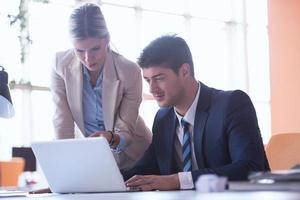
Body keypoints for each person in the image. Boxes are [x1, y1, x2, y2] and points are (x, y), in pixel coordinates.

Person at [124, 35, 270, 191]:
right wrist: (107, 178)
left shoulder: (231, 104)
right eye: (148, 80)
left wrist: (178, 180)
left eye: (159, 78)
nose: (152, 89)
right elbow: (146, 169)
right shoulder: (163, 118)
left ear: (185, 71)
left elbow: (250, 168)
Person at [51, 3, 152, 170]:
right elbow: (62, 122)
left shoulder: (129, 71)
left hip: (135, 156)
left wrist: (110, 138)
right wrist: (62, 170)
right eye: (80, 51)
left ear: (107, 39)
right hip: (95, 160)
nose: (88, 58)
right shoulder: (60, 64)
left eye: (95, 49)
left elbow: (125, 129)